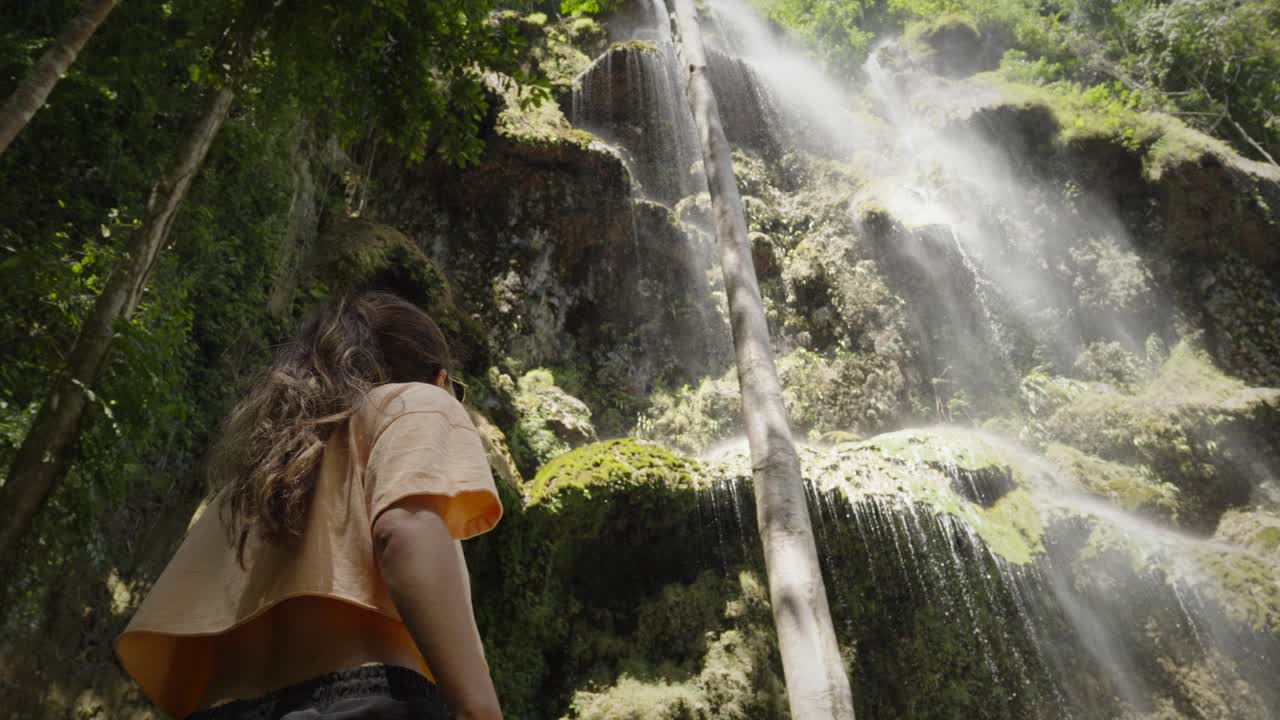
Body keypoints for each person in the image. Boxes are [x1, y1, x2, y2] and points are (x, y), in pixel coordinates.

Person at [116, 291, 504, 720]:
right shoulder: (415, 402)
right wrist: (478, 708)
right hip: (363, 699)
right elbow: (404, 530)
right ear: (440, 379)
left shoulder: (259, 476)